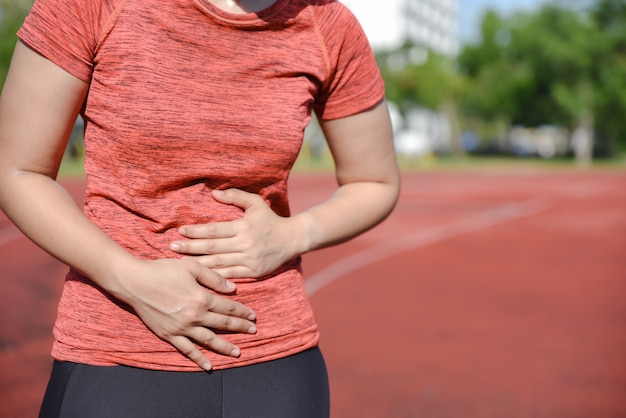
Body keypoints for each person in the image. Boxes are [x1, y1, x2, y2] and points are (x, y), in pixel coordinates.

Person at [0, 0, 400, 416]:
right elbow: (16, 170)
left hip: (274, 359)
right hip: (117, 351)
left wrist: (294, 234)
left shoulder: (328, 24)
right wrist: (128, 277)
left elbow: (375, 181)